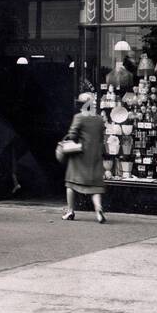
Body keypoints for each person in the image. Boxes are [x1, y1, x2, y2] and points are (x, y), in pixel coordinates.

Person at [61, 92, 106, 223]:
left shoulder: (79, 117)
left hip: (79, 155)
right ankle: (98, 209)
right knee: (95, 186)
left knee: (70, 183)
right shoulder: (99, 119)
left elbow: (72, 135)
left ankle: (70, 211)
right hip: (95, 155)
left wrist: (68, 140)